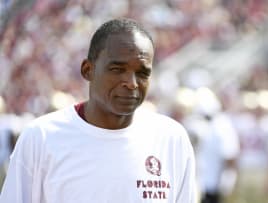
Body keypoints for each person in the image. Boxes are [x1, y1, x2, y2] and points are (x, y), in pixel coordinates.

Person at [0, 18, 197, 203]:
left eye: (142, 73)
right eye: (117, 69)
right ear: (88, 70)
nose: (131, 83)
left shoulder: (171, 138)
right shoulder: (41, 137)